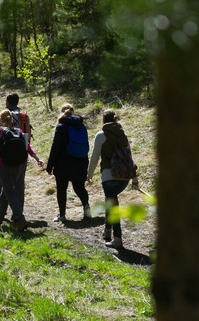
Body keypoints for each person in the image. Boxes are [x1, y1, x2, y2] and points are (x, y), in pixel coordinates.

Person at [87, 109, 140, 249]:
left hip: (109, 177)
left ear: (103, 120)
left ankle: (117, 239)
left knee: (113, 204)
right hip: (123, 177)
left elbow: (94, 157)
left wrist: (89, 175)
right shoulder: (123, 135)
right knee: (110, 200)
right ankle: (107, 231)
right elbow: (129, 158)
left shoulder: (101, 135)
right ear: (116, 120)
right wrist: (134, 178)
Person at [0, 108, 43, 231]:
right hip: (18, 167)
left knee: (9, 192)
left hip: (4, 166)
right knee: (4, 194)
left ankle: (20, 219)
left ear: (0, 120)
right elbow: (27, 147)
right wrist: (37, 159)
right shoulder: (19, 131)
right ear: (12, 120)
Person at [46, 104, 91, 223]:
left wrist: (49, 166)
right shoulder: (81, 125)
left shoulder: (61, 126)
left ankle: (62, 215)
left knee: (61, 189)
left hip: (63, 162)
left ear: (61, 113)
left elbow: (55, 146)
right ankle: (86, 207)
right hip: (81, 160)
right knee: (80, 187)